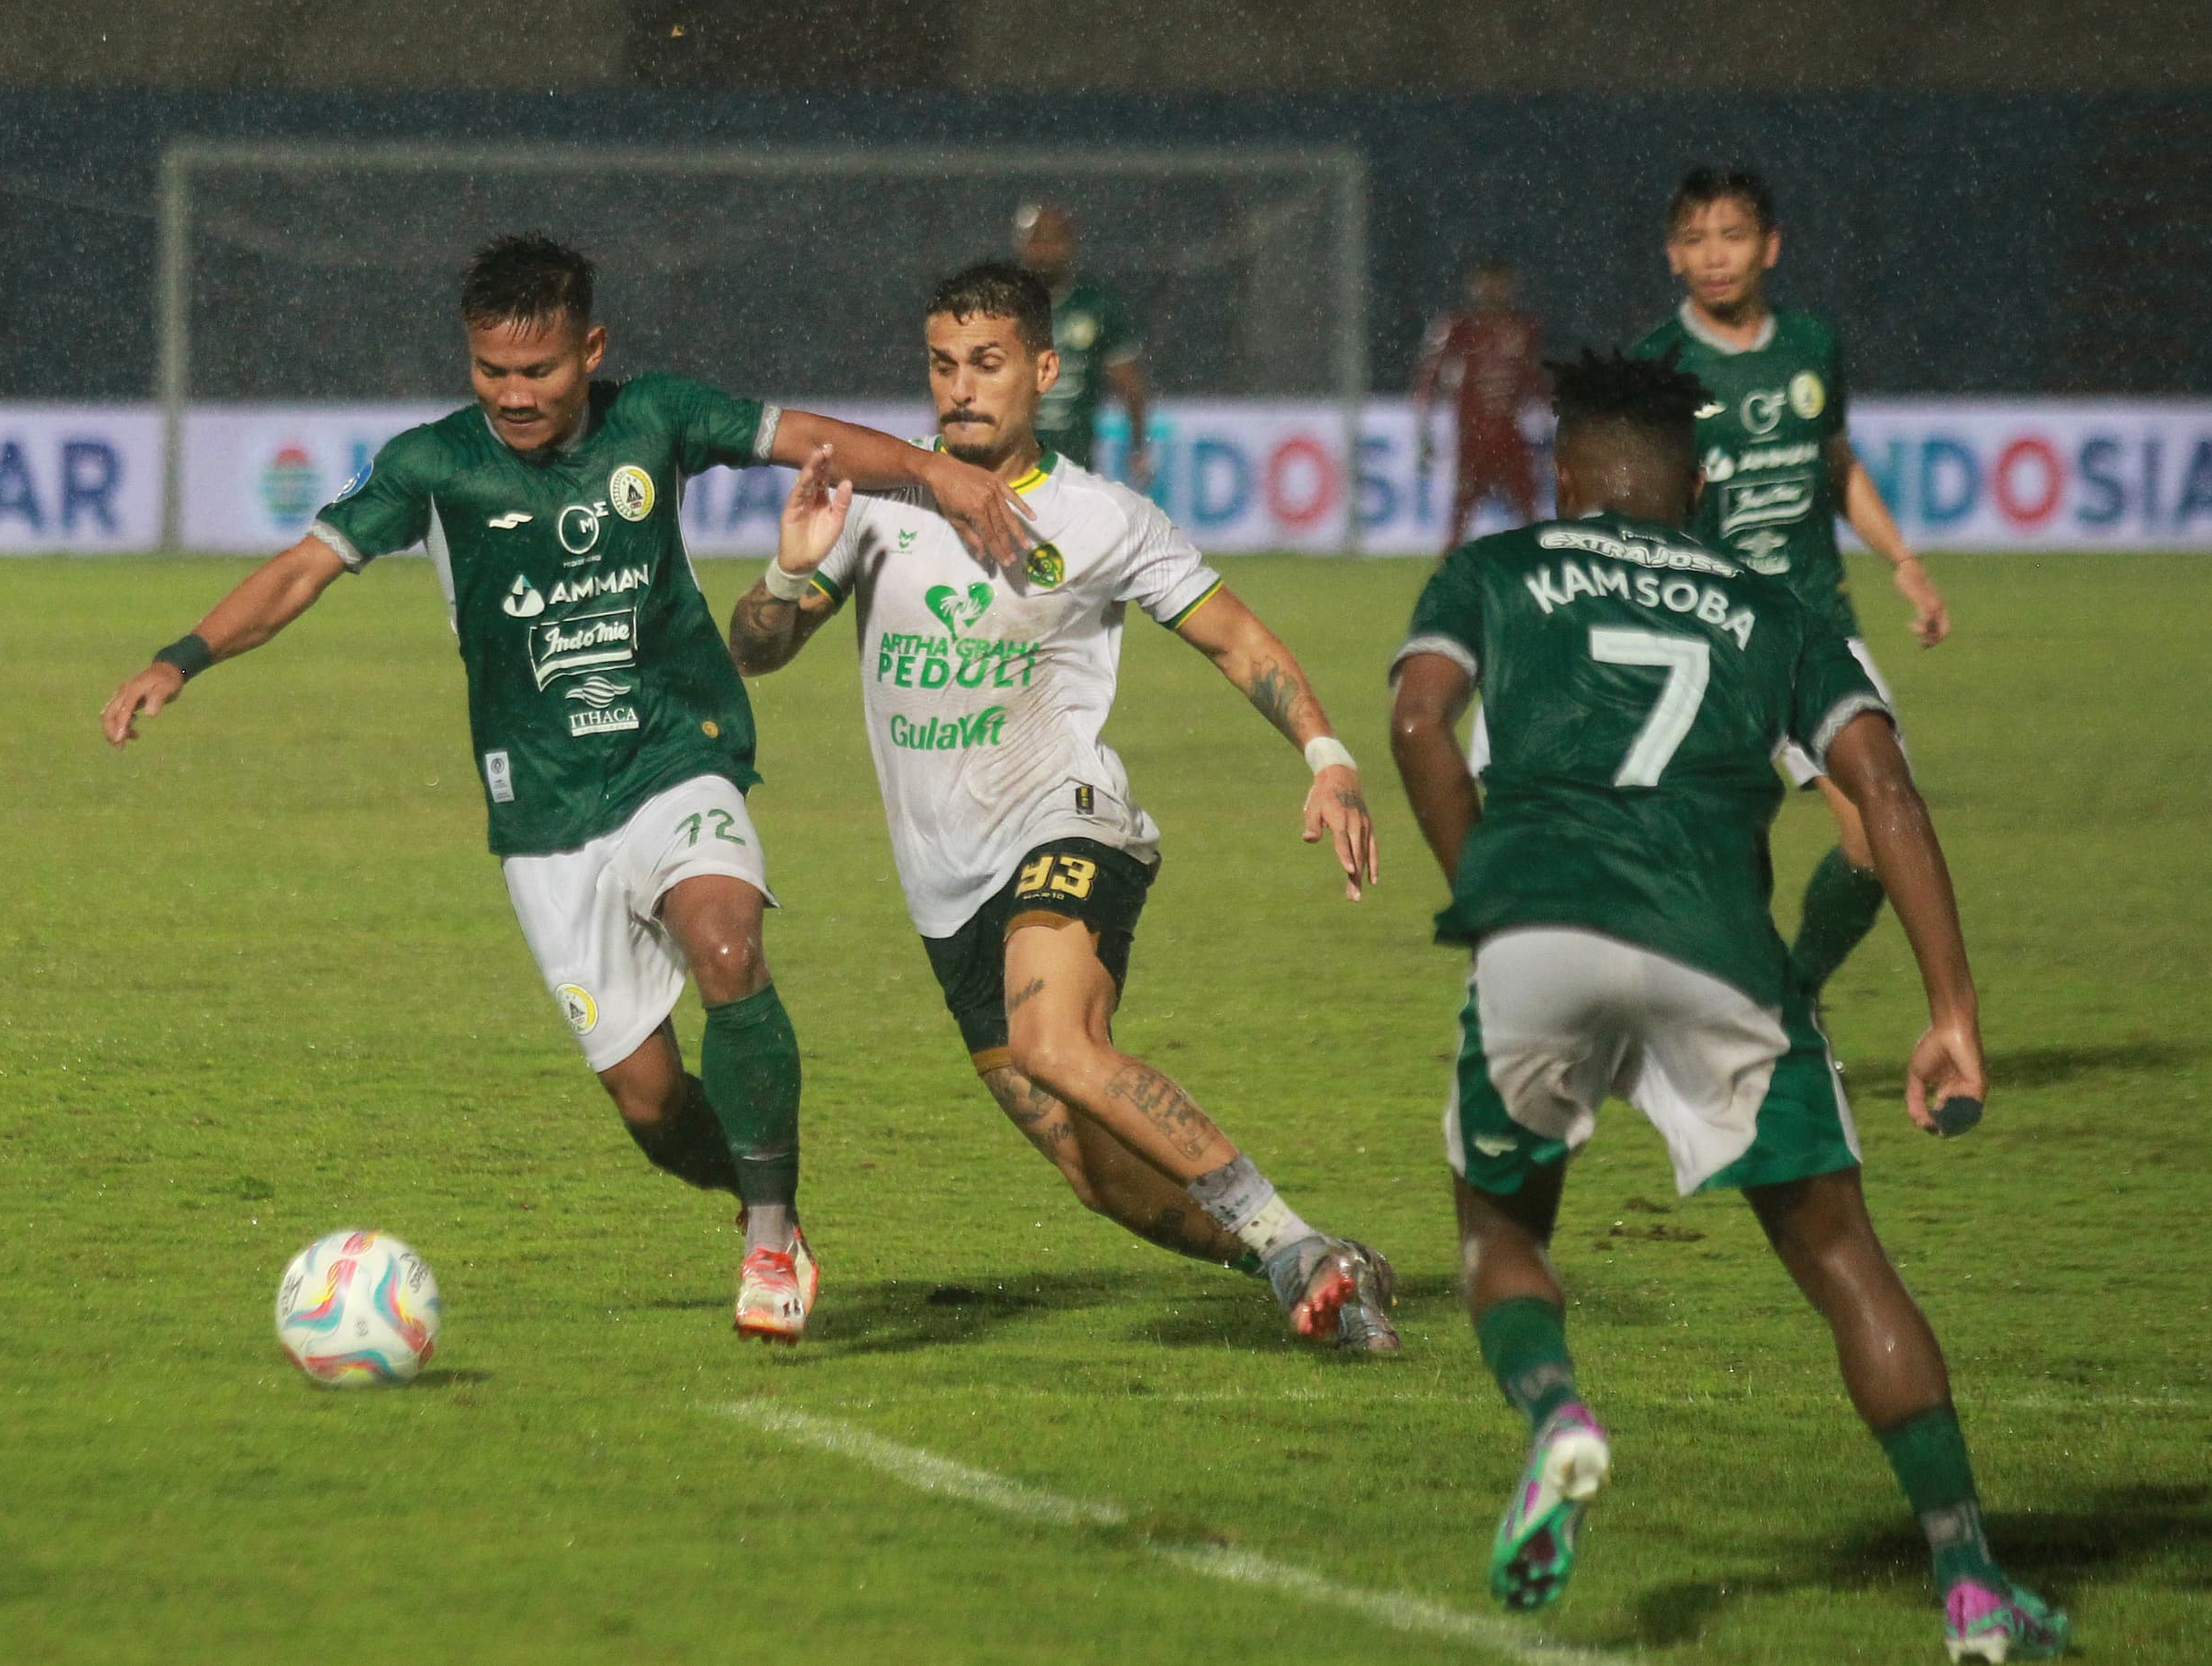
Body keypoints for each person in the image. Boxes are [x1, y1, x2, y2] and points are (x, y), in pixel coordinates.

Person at [101, 232, 1035, 1346]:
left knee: (726, 943)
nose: (513, 394)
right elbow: (305, 568)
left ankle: (768, 1235)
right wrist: (181, 658)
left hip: (673, 752)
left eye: (537, 370)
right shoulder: (432, 465)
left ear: (589, 350)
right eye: (490, 370)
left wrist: (935, 471)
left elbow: (803, 437)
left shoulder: (658, 417)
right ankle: (758, 1193)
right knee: (651, 1105)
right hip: (543, 812)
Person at [1386, 349, 2068, 1660]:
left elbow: (1420, 722)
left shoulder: (1497, 567)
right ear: (1696, 488)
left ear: (1565, 477)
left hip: (1541, 935)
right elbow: (1885, 792)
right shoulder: (1775, 606)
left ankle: (1557, 1416)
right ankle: (1971, 1581)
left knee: (1501, 1224)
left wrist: (1493, 891)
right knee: (1843, 1258)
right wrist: (1952, 1008)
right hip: (1722, 949)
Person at [729, 261, 1398, 1353]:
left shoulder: (1100, 516)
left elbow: (1233, 635)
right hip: (944, 883)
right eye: (943, 364)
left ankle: (1295, 1244)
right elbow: (755, 651)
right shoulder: (876, 503)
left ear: (1043, 371)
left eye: (986, 363)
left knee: (1055, 1039)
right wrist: (790, 571)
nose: (961, 387)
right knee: (1097, 1175)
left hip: (1069, 819)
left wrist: (1327, 756)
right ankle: (1299, 1254)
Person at [1632, 165, 1952, 1005]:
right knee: (1699, 862)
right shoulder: (1655, 364)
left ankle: (1790, 998)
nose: (1715, 256)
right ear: (1672, 255)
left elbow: (1835, 464)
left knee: (1879, 842)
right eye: (1695, 240)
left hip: (1815, 628)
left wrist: (1903, 561)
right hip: (1708, 636)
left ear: (1769, 246)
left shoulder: (1812, 346)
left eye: (1732, 235)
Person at [1411, 258, 1550, 553]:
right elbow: (1429, 380)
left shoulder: (1523, 328)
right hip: (1472, 440)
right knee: (1459, 519)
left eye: (1498, 283)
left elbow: (1535, 379)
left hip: (1510, 438)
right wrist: (1425, 430)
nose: (1492, 291)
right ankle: (1449, 576)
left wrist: (1550, 420)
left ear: (1510, 286)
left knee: (1529, 513)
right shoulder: (1458, 327)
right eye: (1485, 283)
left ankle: (1538, 574)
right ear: (1474, 287)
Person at [1012, 203, 1153, 487]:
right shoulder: (1000, 304)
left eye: (1054, 239)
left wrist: (1139, 445)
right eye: (1037, 240)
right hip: (1008, 463)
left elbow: (1130, 385)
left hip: (1074, 464)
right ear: (1021, 245)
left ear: (1070, 244)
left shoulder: (1096, 306)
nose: (1045, 250)